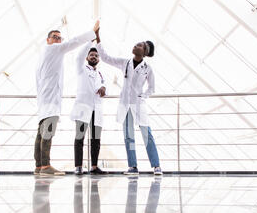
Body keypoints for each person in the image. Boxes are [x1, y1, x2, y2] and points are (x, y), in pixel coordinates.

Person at [34, 21, 100, 176]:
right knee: (48, 131)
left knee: (41, 132)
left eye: (59, 38)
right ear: (48, 40)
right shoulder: (53, 49)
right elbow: (74, 42)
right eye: (55, 37)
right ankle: (45, 166)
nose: (58, 40)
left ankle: (38, 166)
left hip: (44, 97)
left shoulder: (43, 54)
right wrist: (92, 33)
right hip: (50, 99)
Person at [95, 30, 163, 176]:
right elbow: (106, 58)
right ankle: (133, 166)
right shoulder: (125, 63)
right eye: (137, 44)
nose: (136, 45)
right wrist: (98, 37)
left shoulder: (148, 69)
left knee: (147, 135)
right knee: (129, 136)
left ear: (144, 52)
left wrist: (142, 97)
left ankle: (156, 166)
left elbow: (151, 88)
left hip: (138, 105)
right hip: (126, 105)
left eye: (140, 45)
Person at [70, 43, 108, 175]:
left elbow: (104, 85)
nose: (94, 57)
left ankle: (94, 166)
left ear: (99, 59)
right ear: (87, 57)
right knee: (79, 137)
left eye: (96, 55)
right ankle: (78, 167)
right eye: (91, 55)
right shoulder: (81, 68)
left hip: (96, 109)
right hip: (83, 108)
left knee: (96, 139)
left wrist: (104, 88)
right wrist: (90, 41)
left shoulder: (100, 74)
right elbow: (78, 56)